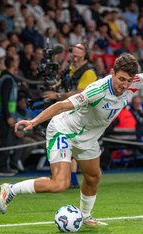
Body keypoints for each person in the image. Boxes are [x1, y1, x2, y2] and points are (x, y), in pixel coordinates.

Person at [0, 53, 143, 226]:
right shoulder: (96, 90)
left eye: (128, 80)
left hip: (87, 139)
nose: (124, 85)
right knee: (60, 184)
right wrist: (34, 122)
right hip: (63, 131)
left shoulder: (135, 81)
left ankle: (86, 216)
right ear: (112, 73)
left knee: (94, 177)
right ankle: (10, 189)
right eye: (121, 79)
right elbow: (62, 106)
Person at [43, 43, 98, 189]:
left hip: (80, 112)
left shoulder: (89, 72)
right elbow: (63, 83)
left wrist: (58, 95)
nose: (75, 59)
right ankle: (70, 178)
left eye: (78, 57)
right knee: (69, 143)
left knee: (73, 144)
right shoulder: (71, 68)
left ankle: (73, 178)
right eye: (73, 56)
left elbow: (81, 93)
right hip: (67, 109)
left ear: (85, 56)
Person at [0, 56, 18, 176]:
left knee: (7, 140)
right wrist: (8, 116)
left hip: (0, 114)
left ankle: (3, 164)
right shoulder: (8, 79)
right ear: (12, 64)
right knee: (6, 141)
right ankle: (2, 167)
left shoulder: (3, 78)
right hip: (4, 115)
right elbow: (4, 99)